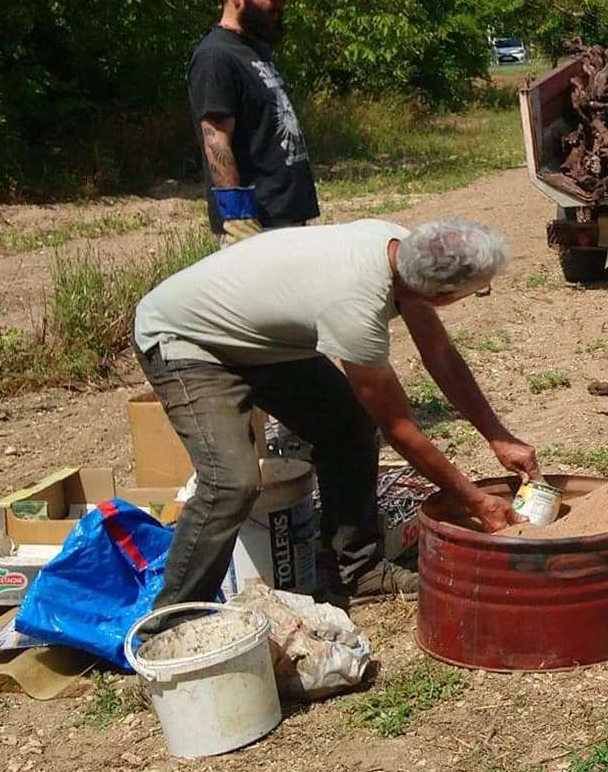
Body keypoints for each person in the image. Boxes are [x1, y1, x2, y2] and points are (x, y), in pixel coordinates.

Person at [132, 217, 533, 608]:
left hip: (256, 339)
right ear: (444, 296)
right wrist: (476, 502)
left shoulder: (402, 250)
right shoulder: (355, 308)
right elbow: (400, 429)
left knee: (348, 427)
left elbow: (440, 355)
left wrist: (499, 437)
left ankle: (356, 571)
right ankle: (173, 617)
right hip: (185, 340)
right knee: (231, 482)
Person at [191, 0, 319, 247]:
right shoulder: (215, 57)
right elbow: (216, 140)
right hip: (257, 228)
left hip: (285, 219)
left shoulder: (256, 50)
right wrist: (239, 221)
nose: (281, 4)